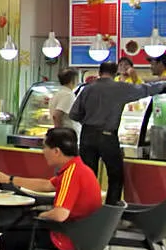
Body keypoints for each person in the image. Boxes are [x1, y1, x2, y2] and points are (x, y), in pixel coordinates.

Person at [0, 128, 103, 250]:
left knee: (8, 240)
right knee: (25, 234)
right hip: (87, 236)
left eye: (45, 147)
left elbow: (60, 214)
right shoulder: (79, 168)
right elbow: (46, 185)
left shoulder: (71, 174)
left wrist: (40, 214)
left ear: (56, 151)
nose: (43, 151)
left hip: (70, 237)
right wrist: (10, 179)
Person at [69, 60, 166, 205]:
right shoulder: (120, 87)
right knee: (115, 175)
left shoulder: (87, 89)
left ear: (99, 72)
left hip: (87, 135)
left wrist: (89, 121)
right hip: (107, 136)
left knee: (88, 175)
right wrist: (163, 85)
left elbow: (74, 114)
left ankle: (87, 207)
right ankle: (111, 208)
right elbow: (145, 89)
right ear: (115, 73)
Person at [50, 68, 80, 137]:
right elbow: (57, 115)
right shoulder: (68, 95)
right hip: (67, 135)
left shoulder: (59, 92)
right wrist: (60, 135)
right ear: (73, 80)